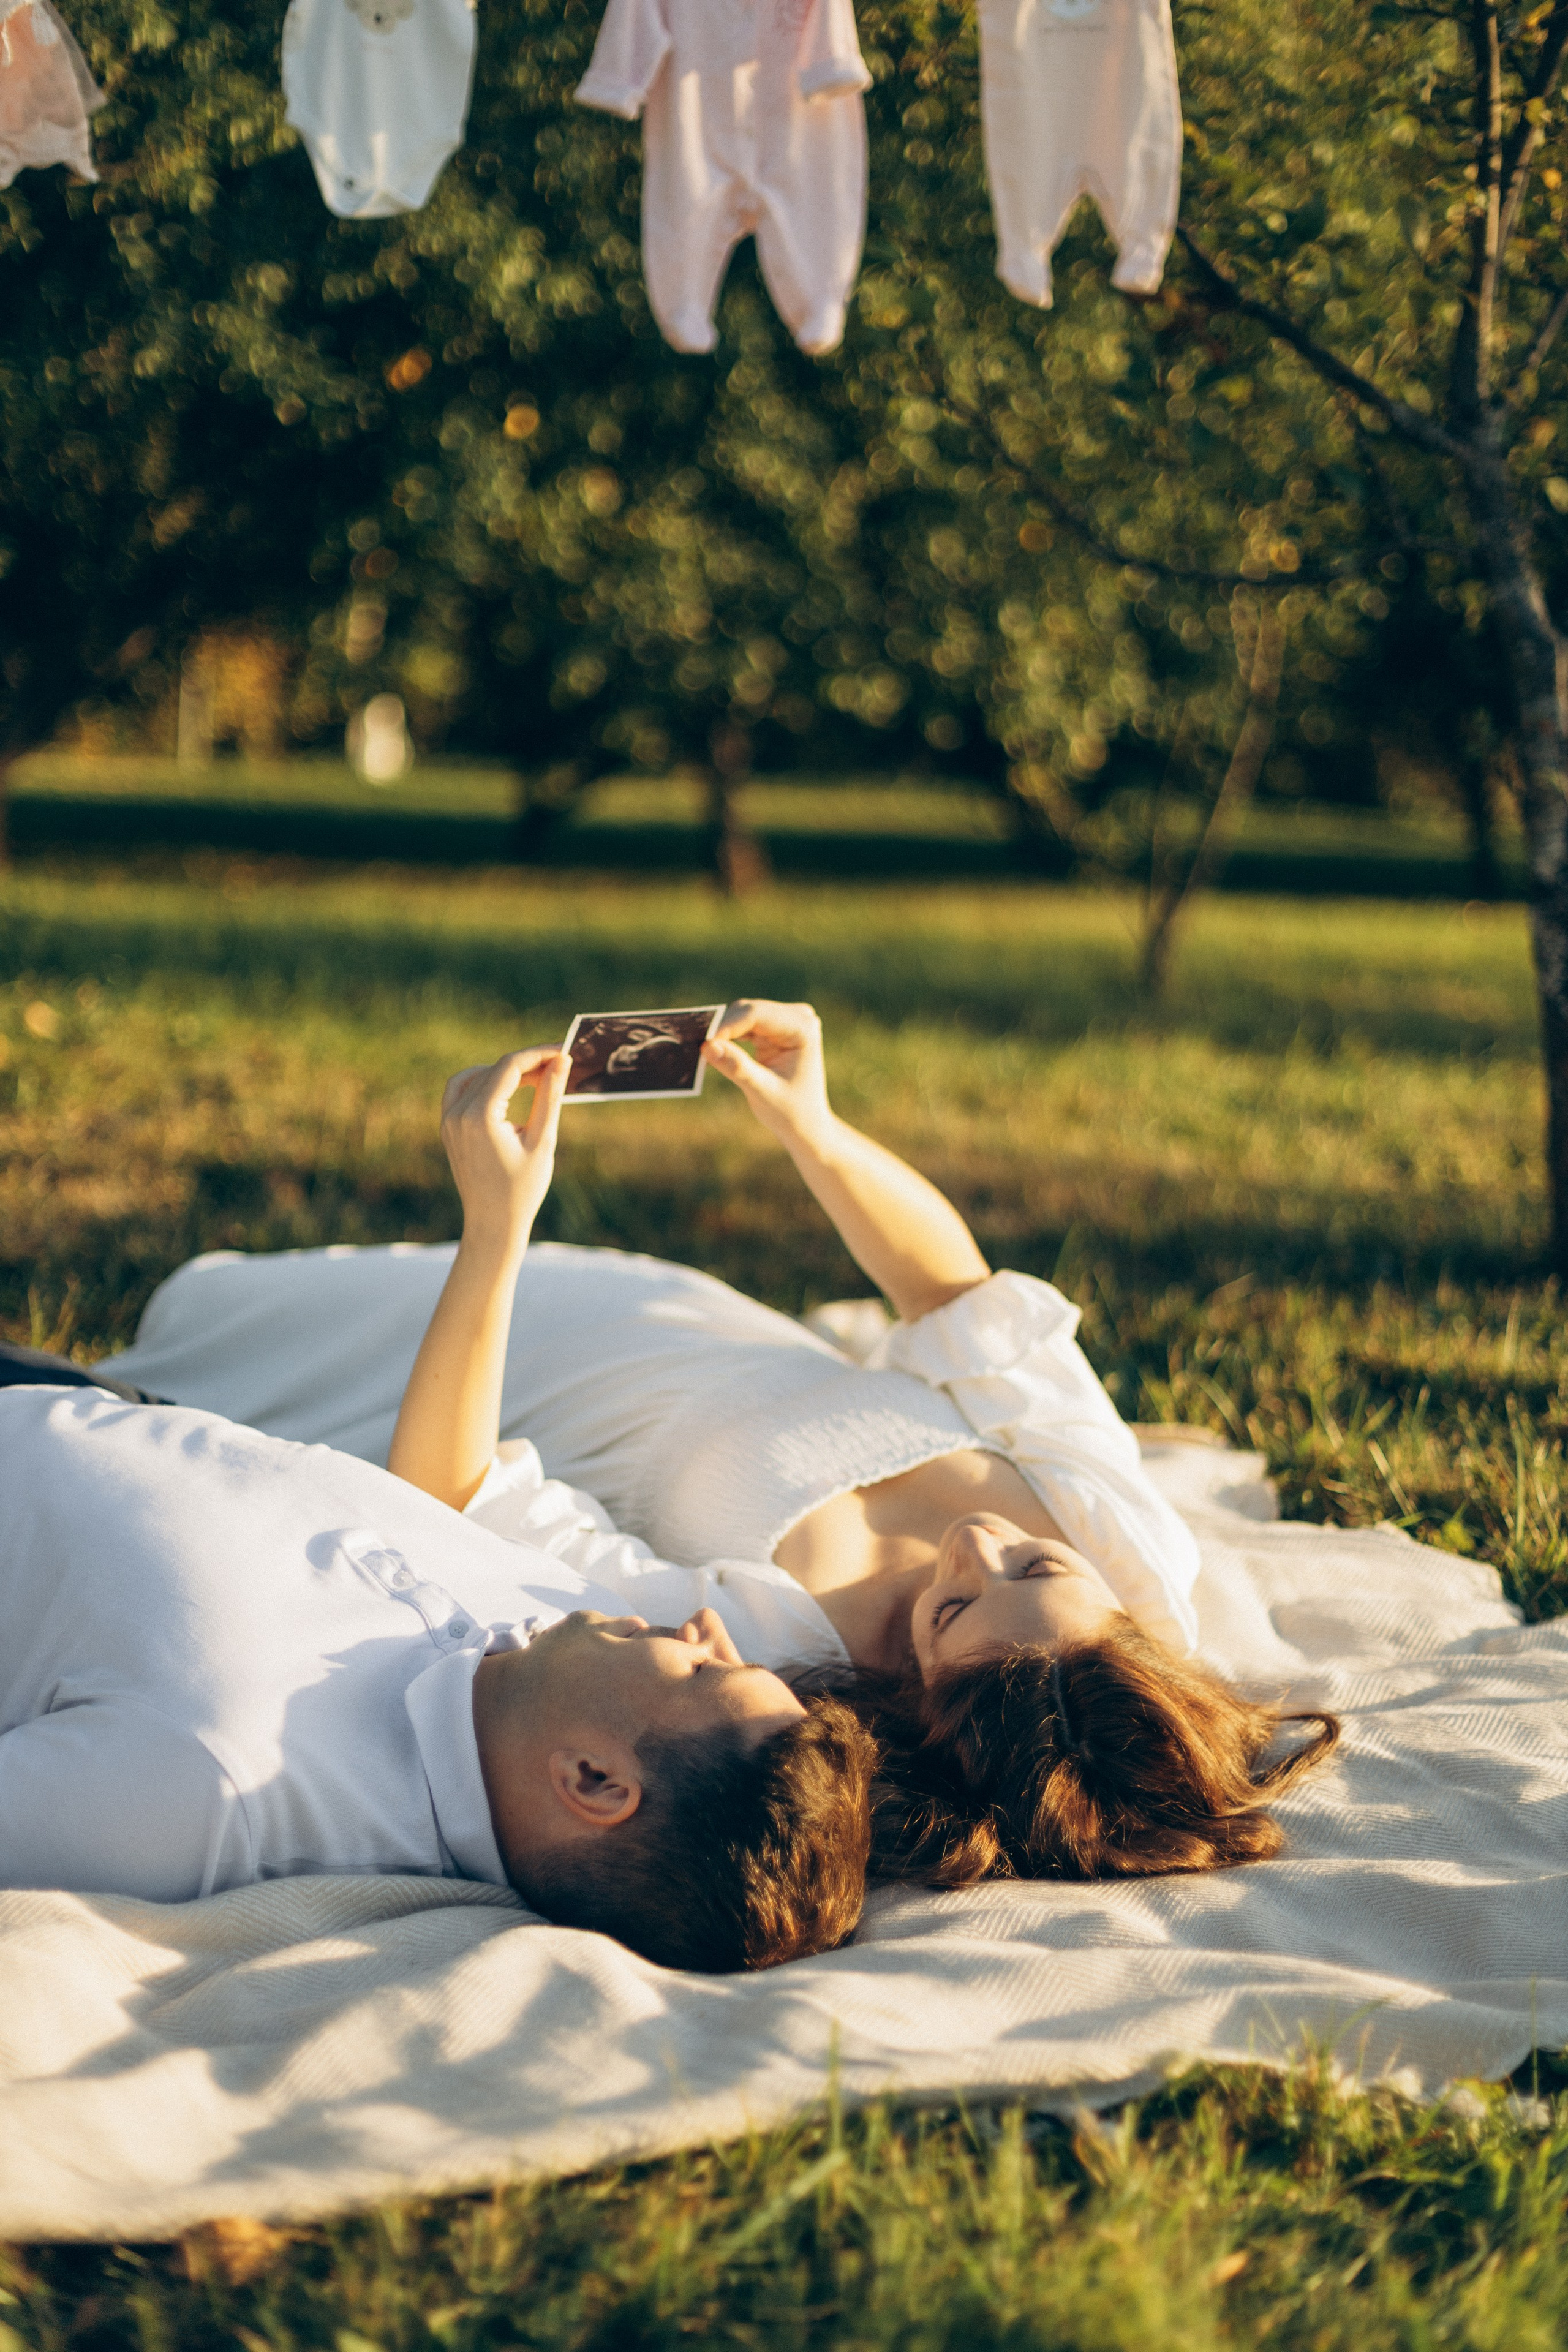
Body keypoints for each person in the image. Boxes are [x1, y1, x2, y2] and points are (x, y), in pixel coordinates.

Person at [100, 1004, 1340, 1887]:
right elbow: (950, 1296)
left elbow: (455, 1489)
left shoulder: (765, 1657)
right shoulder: (1129, 1551)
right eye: (1034, 1568)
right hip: (661, 1310)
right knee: (231, 1300)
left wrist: (496, 1232)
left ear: (923, 1710)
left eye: (955, 1609)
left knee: (188, 1357)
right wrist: (813, 1124)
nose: (977, 1542)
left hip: (500, 1367)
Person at [0, 1318, 876, 1978]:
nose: (700, 1629)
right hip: (81, 1398)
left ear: (595, 1782)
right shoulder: (565, 1637)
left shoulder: (214, 1784)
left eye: (706, 1667)